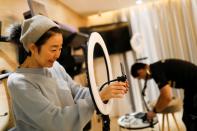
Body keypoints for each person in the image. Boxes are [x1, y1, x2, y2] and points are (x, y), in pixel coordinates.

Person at [7, 15, 128, 131]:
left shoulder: (55, 67)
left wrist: (102, 90)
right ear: (32, 48)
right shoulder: (19, 82)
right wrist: (99, 97)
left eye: (60, 48)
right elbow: (55, 122)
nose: (58, 54)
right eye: (53, 49)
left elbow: (77, 92)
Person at [131, 58, 197, 131]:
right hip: (190, 87)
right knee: (187, 118)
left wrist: (154, 111)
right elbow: (164, 94)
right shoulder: (157, 67)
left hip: (194, 85)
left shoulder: (155, 70)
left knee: (191, 120)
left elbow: (167, 96)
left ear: (140, 71)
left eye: (140, 78)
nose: (143, 79)